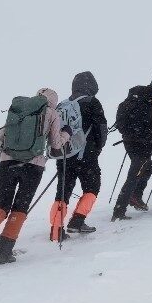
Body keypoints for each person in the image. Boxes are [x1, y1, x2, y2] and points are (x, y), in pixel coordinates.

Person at [0, 88, 67, 265]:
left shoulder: (19, 109)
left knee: (0, 205)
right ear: (53, 101)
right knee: (20, 208)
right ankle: (3, 252)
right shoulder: (52, 113)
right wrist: (66, 134)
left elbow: (2, 135)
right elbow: (56, 145)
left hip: (7, 163)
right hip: (33, 166)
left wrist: (8, 154)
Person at [49, 71, 109, 241]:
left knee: (62, 192)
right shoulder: (92, 102)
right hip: (86, 155)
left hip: (64, 154)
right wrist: (97, 148)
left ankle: (56, 231)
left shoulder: (63, 104)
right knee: (92, 187)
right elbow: (101, 129)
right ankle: (77, 221)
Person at [111, 75, 152, 221]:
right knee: (135, 173)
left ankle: (135, 196)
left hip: (129, 140)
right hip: (144, 142)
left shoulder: (137, 95)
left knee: (147, 167)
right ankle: (119, 210)